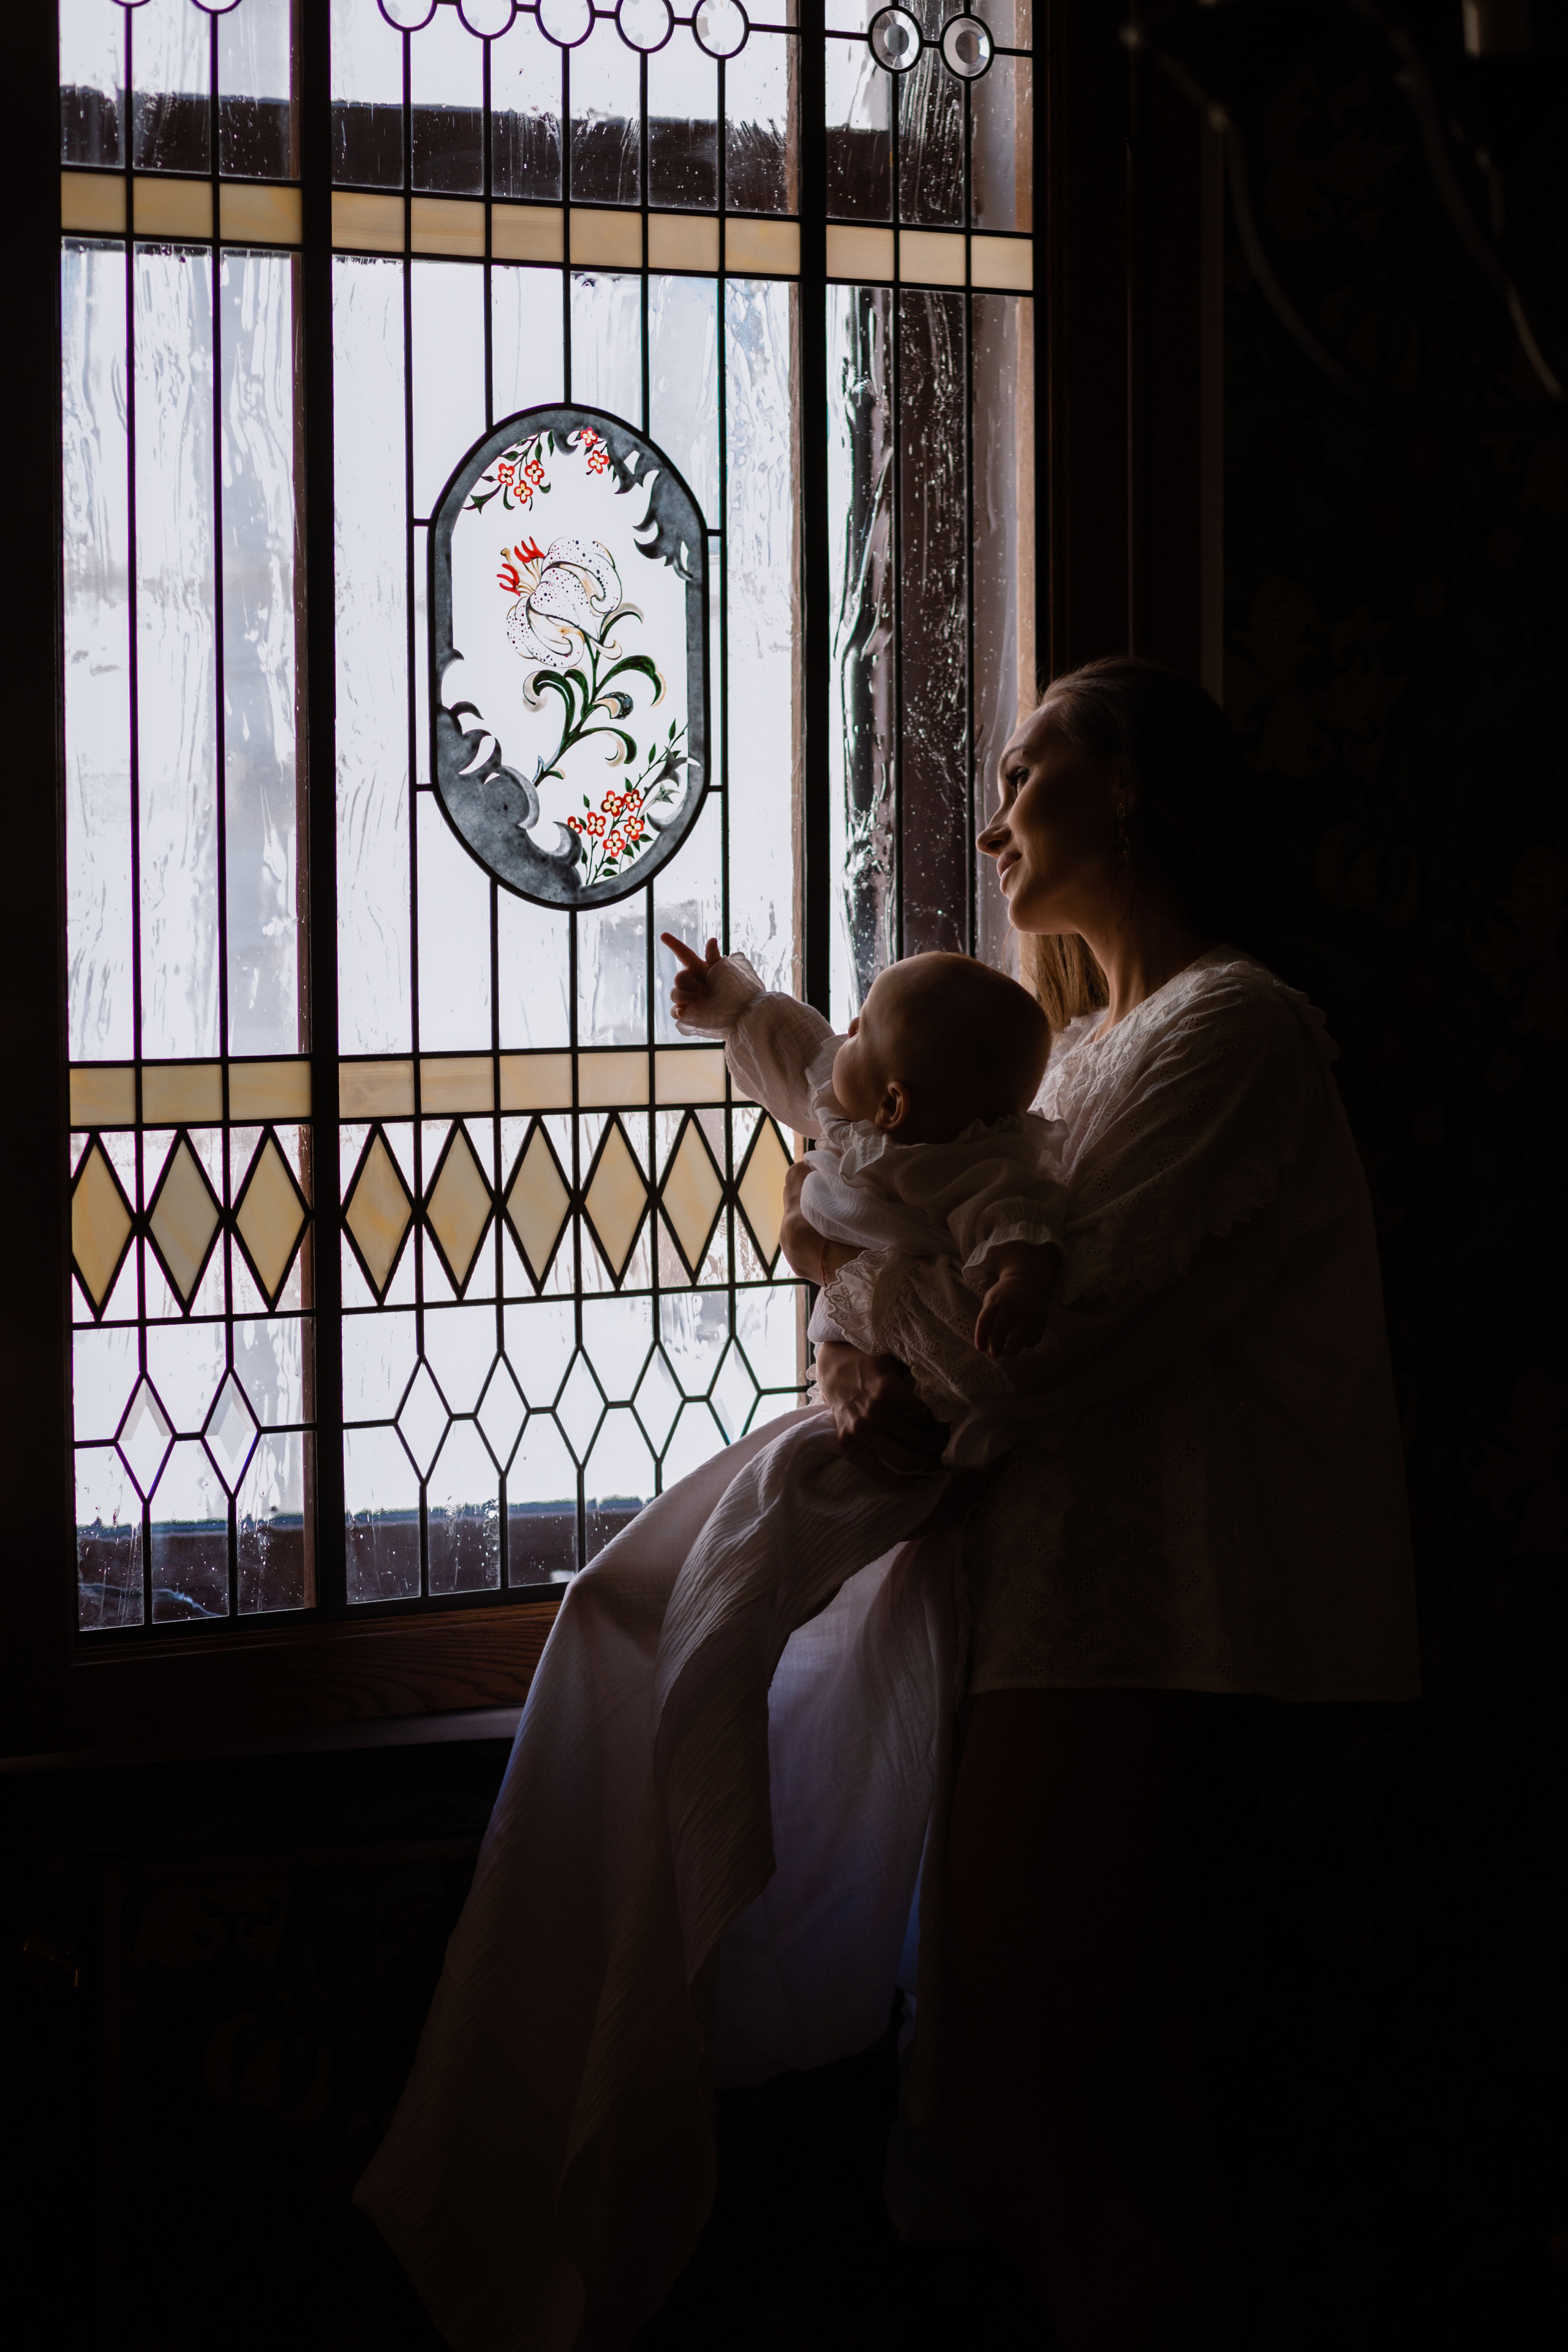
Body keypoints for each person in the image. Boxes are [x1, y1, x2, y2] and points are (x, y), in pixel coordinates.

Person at [355, 658, 1418, 2352]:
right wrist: (858, 1324)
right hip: (1030, 1601)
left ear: (1126, 791)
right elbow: (918, 1204)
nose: (998, 812)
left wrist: (853, 1283)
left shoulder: (1234, 1031)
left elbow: (1036, 1356)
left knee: (1014, 2118)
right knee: (1125, 2101)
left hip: (1111, 1624)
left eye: (1028, 772)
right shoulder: (1075, 1056)